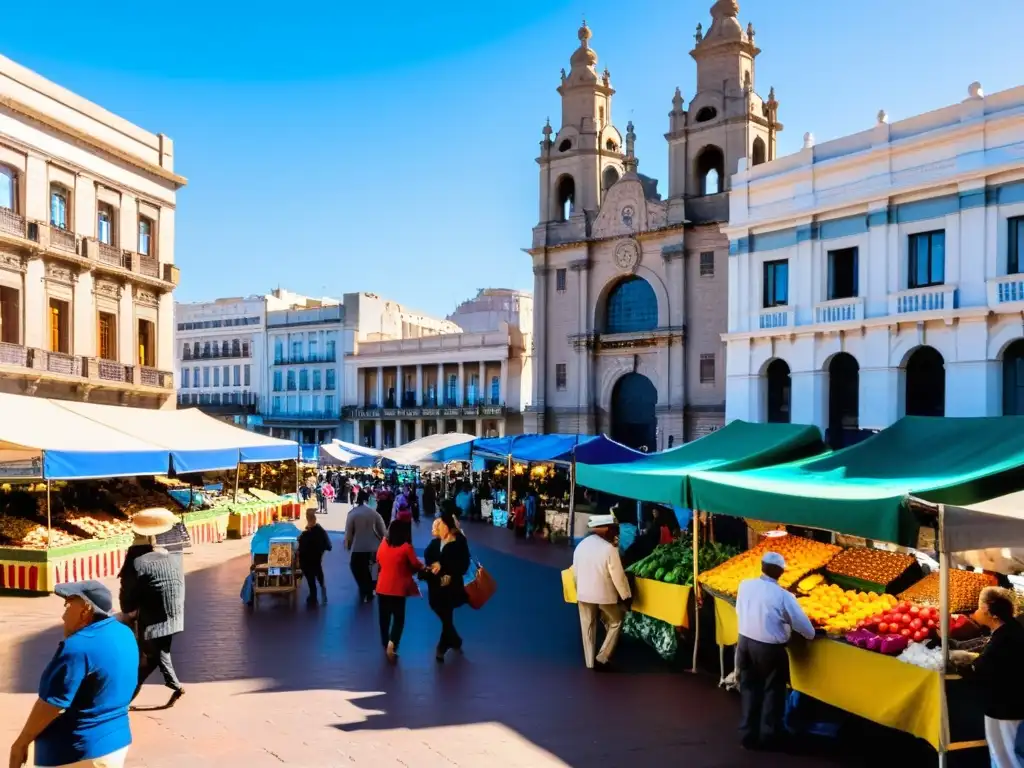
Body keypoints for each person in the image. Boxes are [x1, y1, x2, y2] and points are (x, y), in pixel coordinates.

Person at [9, 580, 136, 768]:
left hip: (77, 753)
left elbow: (51, 704)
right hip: (116, 743)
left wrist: (21, 743)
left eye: (68, 605)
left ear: (85, 610)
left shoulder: (78, 646)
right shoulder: (123, 632)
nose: (63, 615)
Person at [734, 551, 816, 751]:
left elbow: (739, 610)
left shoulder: (745, 585)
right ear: (780, 572)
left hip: (744, 644)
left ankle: (747, 736)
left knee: (750, 690)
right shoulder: (783, 596)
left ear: (761, 566)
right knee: (773, 692)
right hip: (769, 650)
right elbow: (808, 631)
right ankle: (770, 736)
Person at [119, 509, 187, 710]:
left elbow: (128, 594)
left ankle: (121, 702)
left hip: (152, 618)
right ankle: (174, 685)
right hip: (173, 615)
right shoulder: (171, 554)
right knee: (157, 654)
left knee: (148, 658)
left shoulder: (137, 559)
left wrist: (128, 612)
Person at [951, 586, 1024, 768]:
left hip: (1007, 707)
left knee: (1006, 753)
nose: (975, 612)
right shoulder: (1009, 631)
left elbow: (985, 670)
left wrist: (961, 666)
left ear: (988, 610)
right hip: (1005, 705)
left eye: (978, 607)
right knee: (1003, 752)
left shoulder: (1005, 638)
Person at [571, 514, 632, 671]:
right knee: (616, 621)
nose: (615, 533)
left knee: (587, 627)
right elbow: (618, 576)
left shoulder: (581, 546)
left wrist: (579, 590)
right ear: (604, 529)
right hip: (604, 595)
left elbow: (575, 572)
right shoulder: (609, 549)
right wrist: (626, 595)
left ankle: (589, 662)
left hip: (583, 594)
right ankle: (603, 656)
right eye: (613, 529)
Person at [422, 510, 471, 662]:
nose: (436, 527)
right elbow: (428, 556)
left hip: (451, 585)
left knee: (447, 613)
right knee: (441, 611)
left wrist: (450, 572)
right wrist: (433, 566)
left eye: (440, 524)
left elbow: (464, 563)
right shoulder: (435, 542)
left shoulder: (459, 542)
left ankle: (442, 647)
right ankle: (455, 640)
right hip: (435, 585)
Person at [375, 519, 424, 662]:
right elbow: (415, 563)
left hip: (382, 587)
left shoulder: (383, 544)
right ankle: (393, 643)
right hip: (398, 589)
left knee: (383, 619)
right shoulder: (406, 547)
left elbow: (378, 559)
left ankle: (385, 643)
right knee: (398, 618)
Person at [345, 489, 386, 603]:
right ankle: (370, 588)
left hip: (358, 547)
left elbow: (349, 532)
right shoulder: (374, 513)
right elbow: (383, 532)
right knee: (371, 569)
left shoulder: (353, 513)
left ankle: (365, 588)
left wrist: (348, 545)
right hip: (374, 547)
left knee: (356, 567)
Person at [298, 508, 332, 605]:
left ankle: (313, 596)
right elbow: (329, 546)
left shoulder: (305, 534)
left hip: (306, 560)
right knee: (318, 572)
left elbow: (302, 548)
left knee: (310, 578)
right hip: (317, 558)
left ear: (307, 518)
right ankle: (322, 588)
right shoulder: (320, 531)